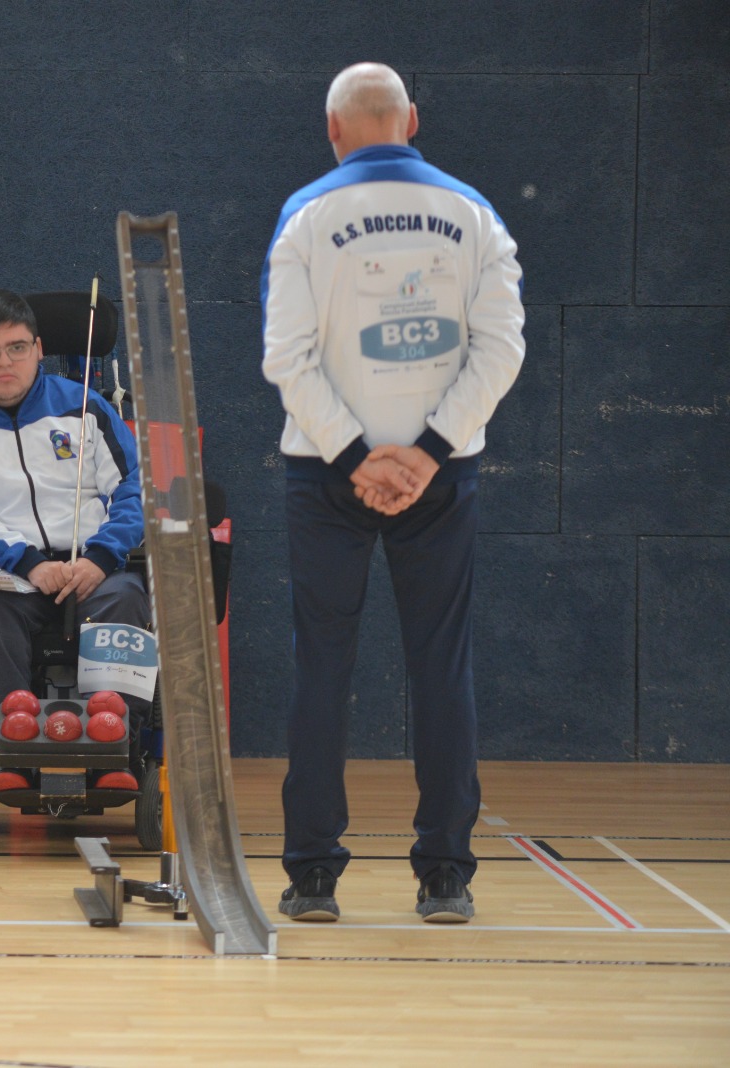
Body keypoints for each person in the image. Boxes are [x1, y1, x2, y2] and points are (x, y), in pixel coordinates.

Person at [261, 62, 525, 924]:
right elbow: (502, 349)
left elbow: (285, 358)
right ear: (412, 120)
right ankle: (446, 877)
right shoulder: (474, 214)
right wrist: (428, 453)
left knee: (321, 667)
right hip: (441, 478)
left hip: (324, 474)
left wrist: (355, 459)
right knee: (442, 667)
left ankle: (311, 879)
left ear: (331, 129)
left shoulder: (306, 214)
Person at [0, 289, 149, 793]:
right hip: (9, 576)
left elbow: (132, 492)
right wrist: (27, 563)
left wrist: (99, 558)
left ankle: (116, 751)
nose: (4, 362)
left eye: (17, 348)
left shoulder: (87, 409)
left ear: (38, 349)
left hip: (95, 570)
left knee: (127, 599)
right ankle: (8, 754)